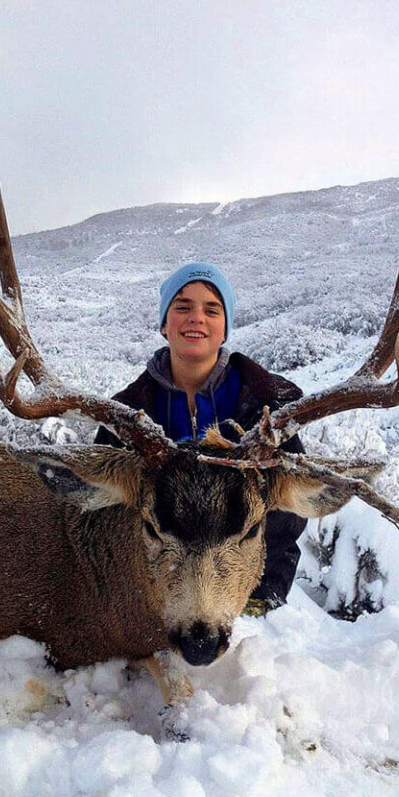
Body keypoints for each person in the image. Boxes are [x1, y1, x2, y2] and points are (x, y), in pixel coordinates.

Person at [95, 262, 307, 614]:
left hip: (249, 592)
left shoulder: (269, 409)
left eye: (212, 309)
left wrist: (262, 593)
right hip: (153, 596)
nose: (197, 317)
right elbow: (103, 518)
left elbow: (287, 517)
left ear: (225, 328)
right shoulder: (127, 414)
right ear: (164, 324)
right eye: (182, 307)